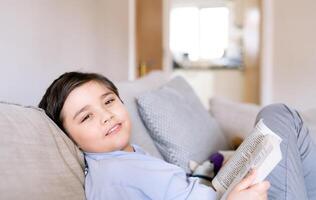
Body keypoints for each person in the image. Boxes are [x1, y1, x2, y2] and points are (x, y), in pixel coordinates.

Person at [38, 71, 316, 200]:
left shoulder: (127, 156)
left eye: (109, 101)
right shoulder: (114, 176)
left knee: (281, 123)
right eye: (86, 117)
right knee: (279, 115)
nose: (106, 115)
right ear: (68, 138)